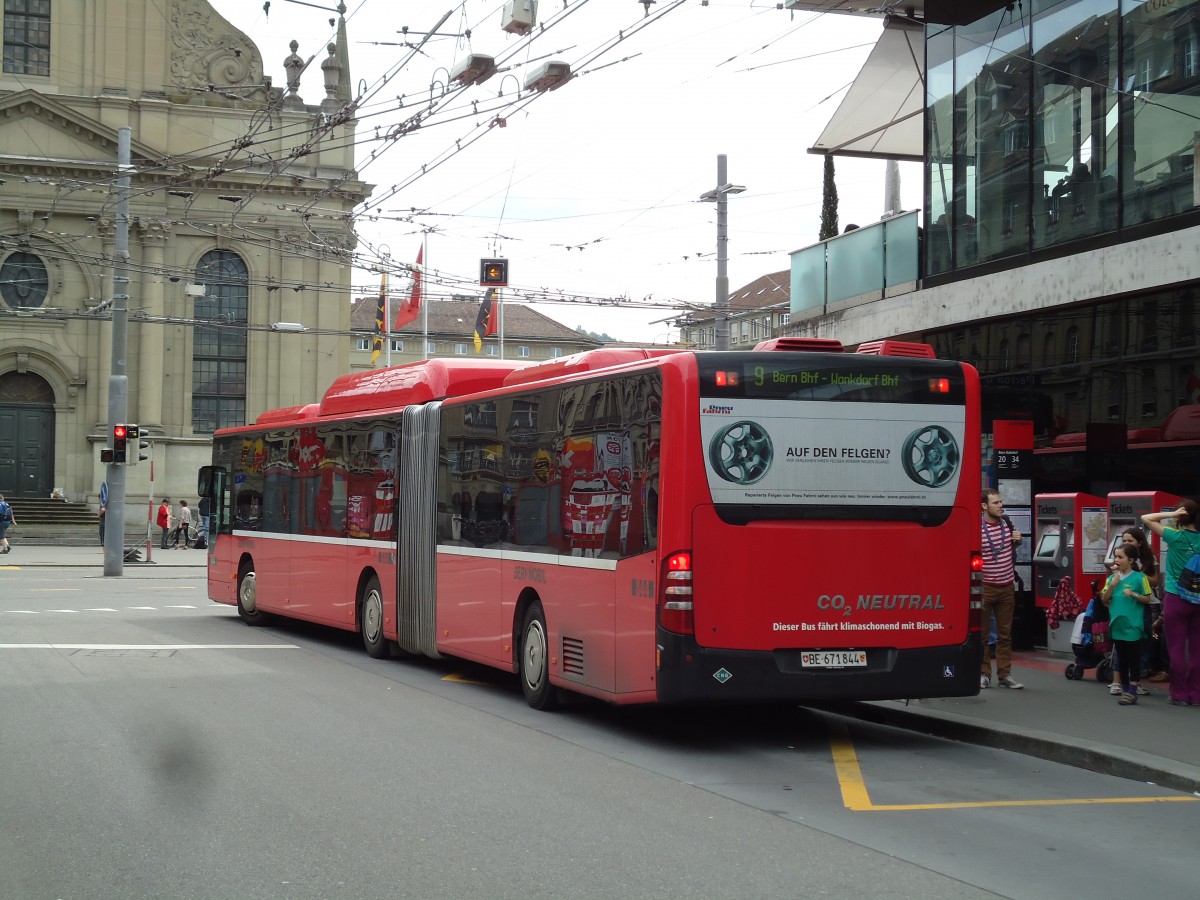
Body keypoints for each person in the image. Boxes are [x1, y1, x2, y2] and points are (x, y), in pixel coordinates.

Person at [1141, 500, 1200, 707]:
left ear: (1181, 516)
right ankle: (1196, 694)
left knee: (1175, 649)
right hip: (1198, 599)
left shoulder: (1175, 536)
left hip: (1176, 597)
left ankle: (1179, 694)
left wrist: (1172, 514)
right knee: (1196, 650)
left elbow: (1145, 519)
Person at [980, 489, 1024, 689]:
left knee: (1005, 634)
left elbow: (1009, 548)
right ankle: (983, 673)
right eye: (995, 502)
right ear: (984, 506)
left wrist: (1018, 541)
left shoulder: (1006, 523)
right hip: (986, 587)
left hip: (1006, 586)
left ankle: (1005, 674)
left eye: (1000, 502)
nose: (1000, 505)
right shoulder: (977, 527)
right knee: (982, 634)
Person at [1100, 543, 1153, 705]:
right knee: (1121, 659)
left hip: (1133, 626)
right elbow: (1104, 599)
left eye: (1120, 557)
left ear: (1130, 560)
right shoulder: (1111, 579)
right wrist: (1114, 584)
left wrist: (1134, 594)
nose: (1116, 560)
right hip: (1117, 626)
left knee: (1133, 659)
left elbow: (1147, 599)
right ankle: (1125, 688)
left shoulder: (1140, 578)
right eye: (1115, 556)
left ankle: (1133, 689)